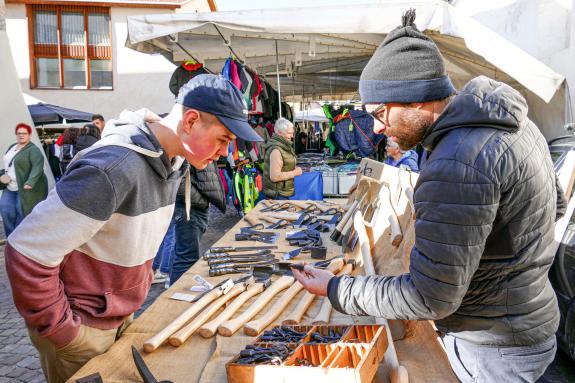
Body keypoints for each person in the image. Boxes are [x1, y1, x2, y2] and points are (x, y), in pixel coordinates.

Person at [293, 10, 562, 383]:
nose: (375, 125)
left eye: (380, 112)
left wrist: (337, 287)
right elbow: (556, 208)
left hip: (493, 345)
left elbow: (428, 298)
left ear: (417, 99)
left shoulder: (457, 161)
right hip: (531, 321)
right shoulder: (518, 125)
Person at [4, 74, 262, 383]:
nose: (225, 153)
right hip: (82, 328)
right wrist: (61, 329)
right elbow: (26, 249)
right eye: (223, 139)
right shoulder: (112, 167)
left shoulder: (173, 161)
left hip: (116, 316)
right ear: (191, 120)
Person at [170, 161, 226, 285]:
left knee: (183, 255)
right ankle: (177, 298)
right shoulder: (185, 146)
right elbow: (176, 180)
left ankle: (174, 291)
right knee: (186, 259)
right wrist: (200, 200)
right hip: (189, 207)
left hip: (192, 205)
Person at [0, 123, 48, 236]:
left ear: (29, 135)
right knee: (6, 211)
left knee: (21, 212)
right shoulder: (12, 146)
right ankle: (10, 237)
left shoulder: (33, 150)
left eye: (24, 133)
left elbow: (38, 166)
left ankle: (20, 239)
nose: (21, 135)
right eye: (19, 133)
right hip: (9, 186)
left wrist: (30, 182)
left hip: (25, 187)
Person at [262, 118, 302, 199]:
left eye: (292, 133)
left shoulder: (283, 145)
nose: (291, 136)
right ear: (280, 133)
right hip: (278, 195)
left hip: (281, 192)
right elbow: (275, 176)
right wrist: (294, 172)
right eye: (289, 133)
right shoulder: (276, 150)